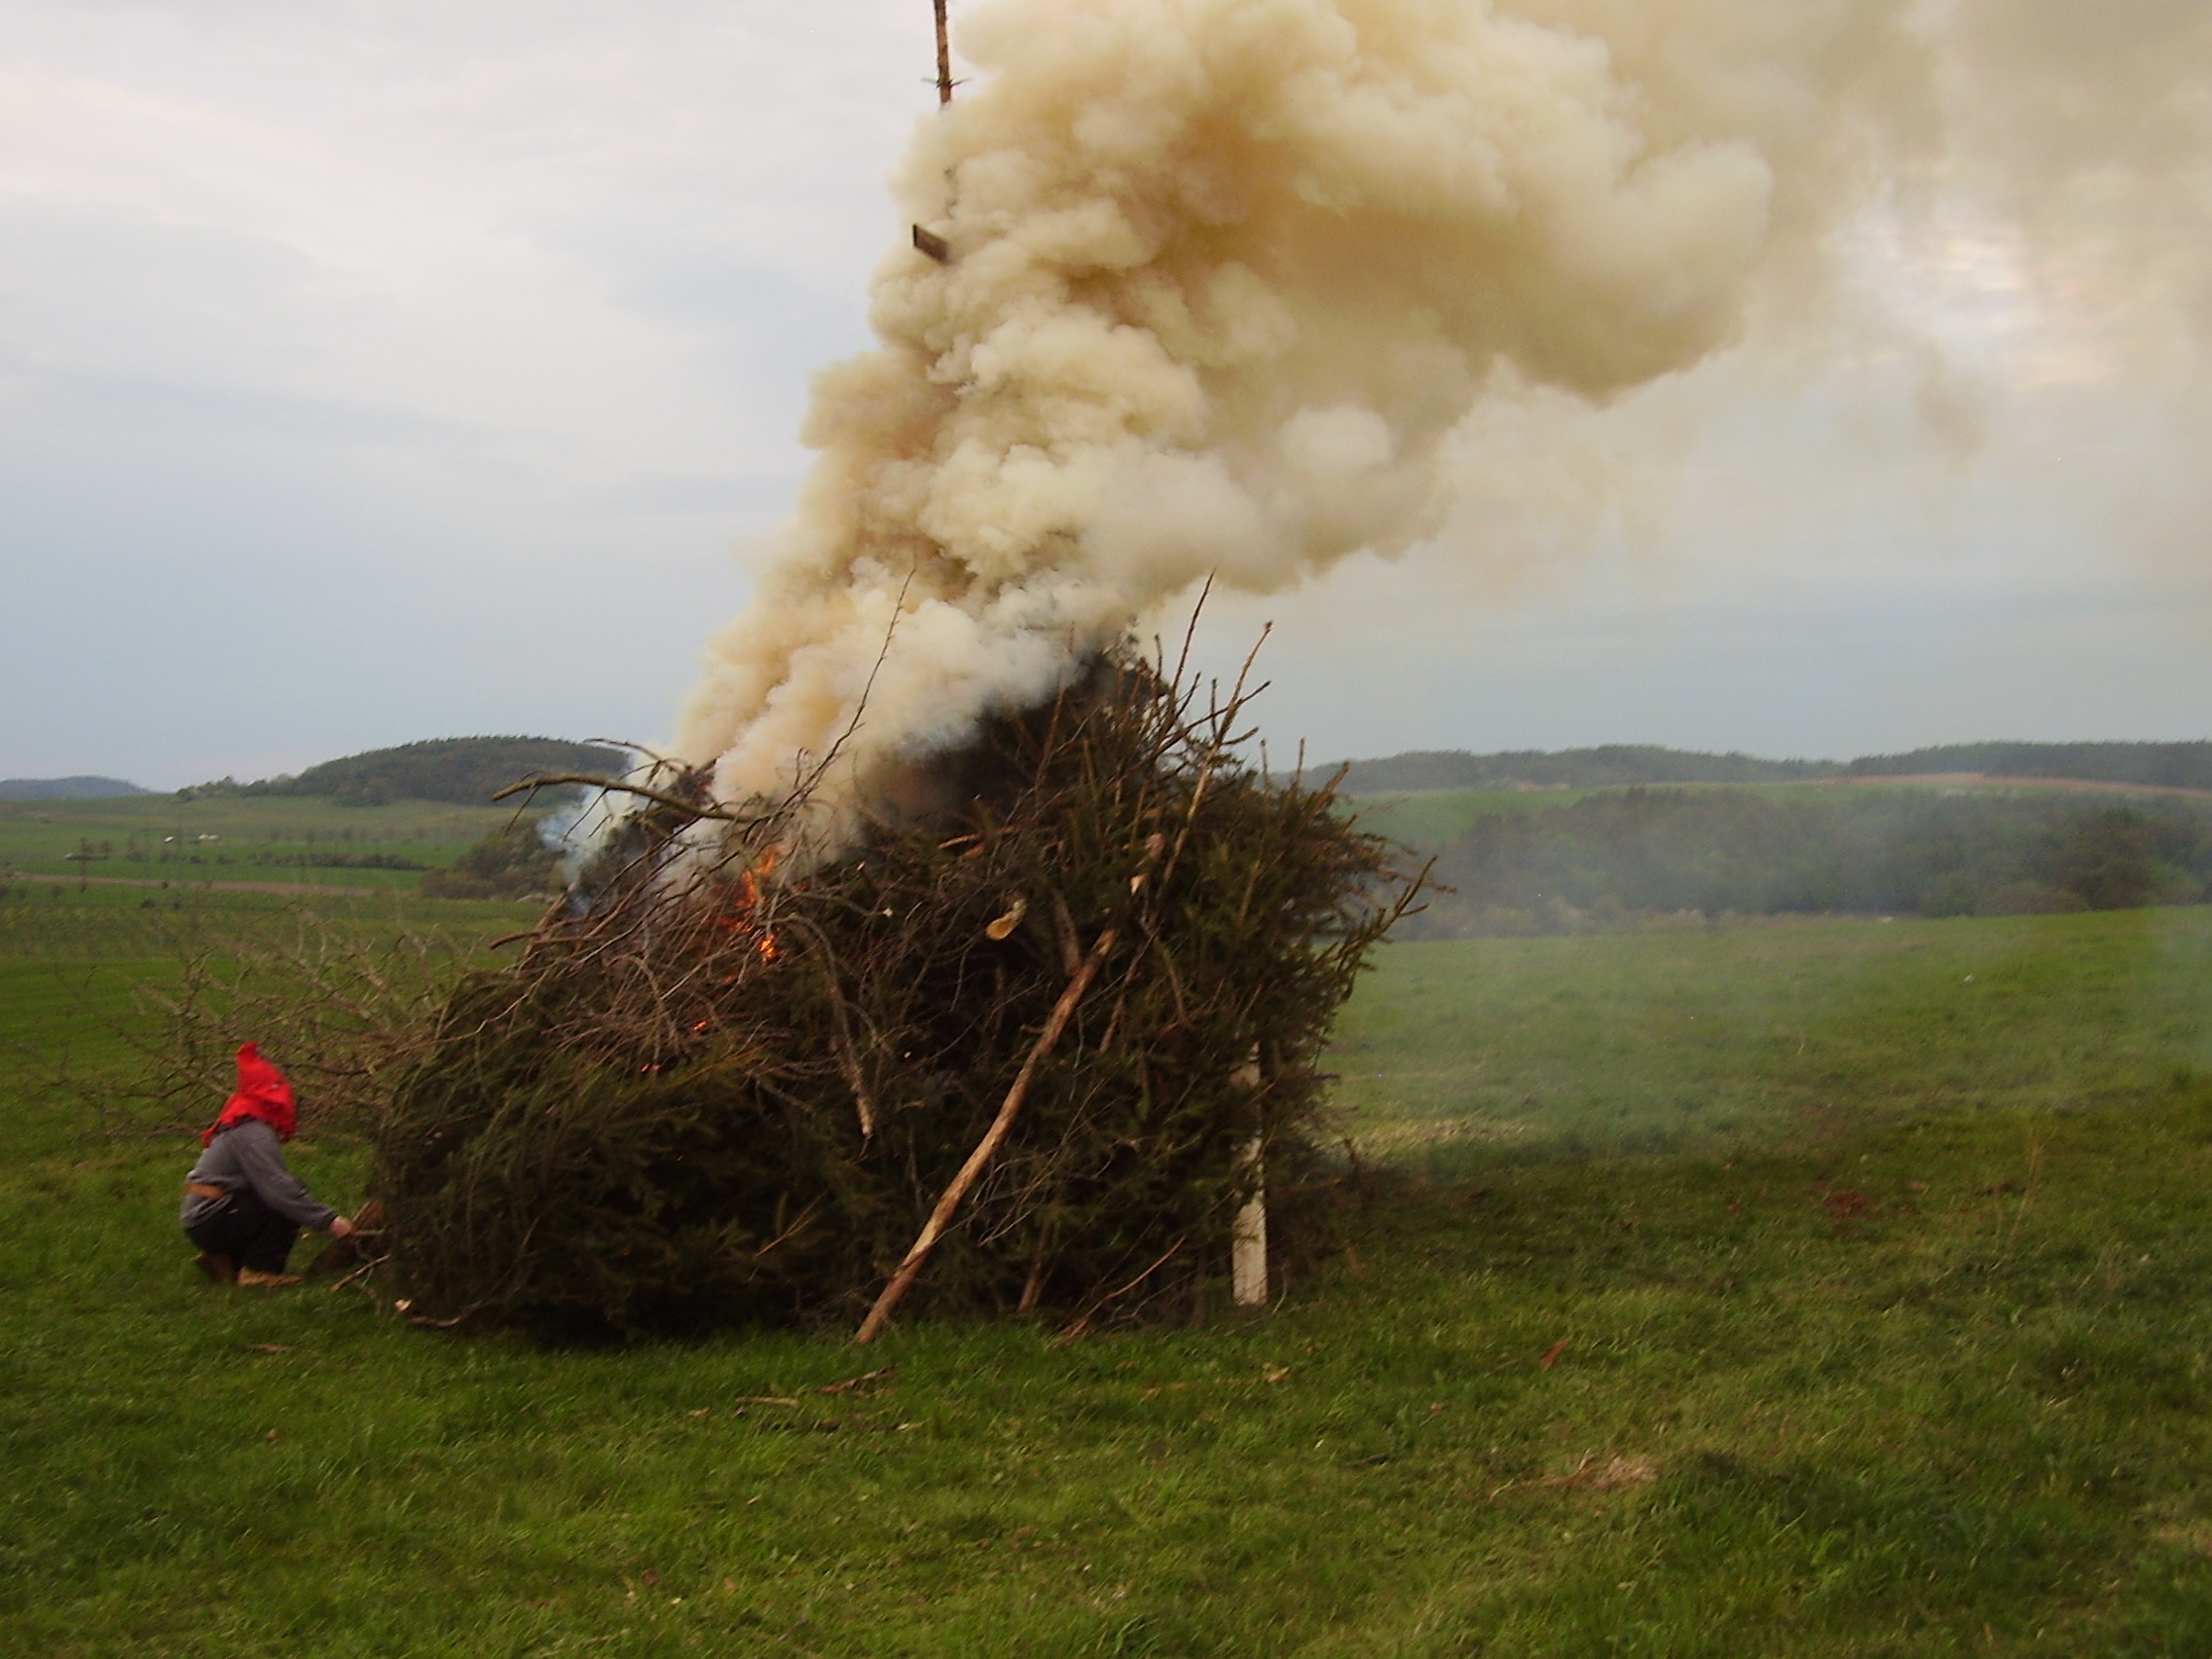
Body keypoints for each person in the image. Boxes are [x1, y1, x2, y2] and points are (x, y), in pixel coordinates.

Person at [181, 1042, 356, 1288]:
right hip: (210, 1218)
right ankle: (257, 1271)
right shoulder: (251, 1131)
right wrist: (330, 1221)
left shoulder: (241, 1122)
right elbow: (276, 1186)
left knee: (277, 1198)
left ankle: (225, 1260)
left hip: (206, 1215)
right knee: (282, 1205)